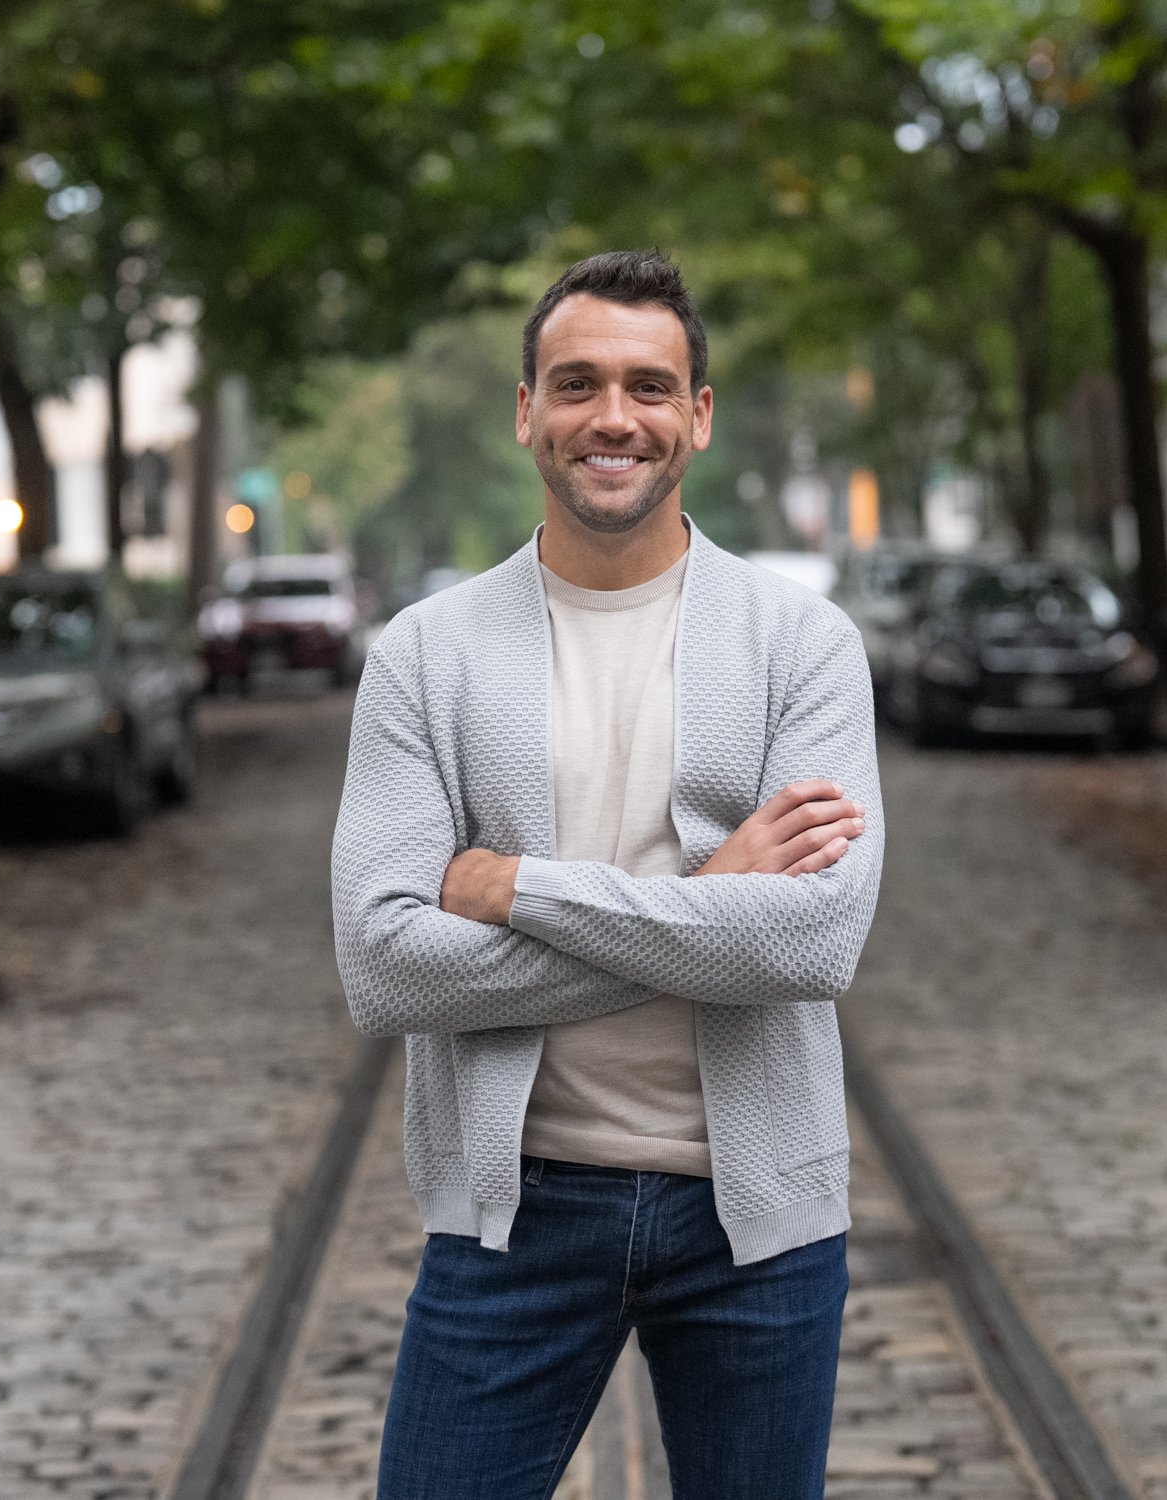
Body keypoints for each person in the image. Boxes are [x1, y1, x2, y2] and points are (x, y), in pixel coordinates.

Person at [331, 249, 883, 1498]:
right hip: (513, 1211)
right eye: (576, 383)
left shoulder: (804, 645)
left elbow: (810, 944)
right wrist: (708, 910)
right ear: (527, 410)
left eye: (649, 386)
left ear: (697, 415)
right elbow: (382, 967)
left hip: (759, 1222)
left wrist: (516, 886)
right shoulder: (426, 656)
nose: (613, 418)